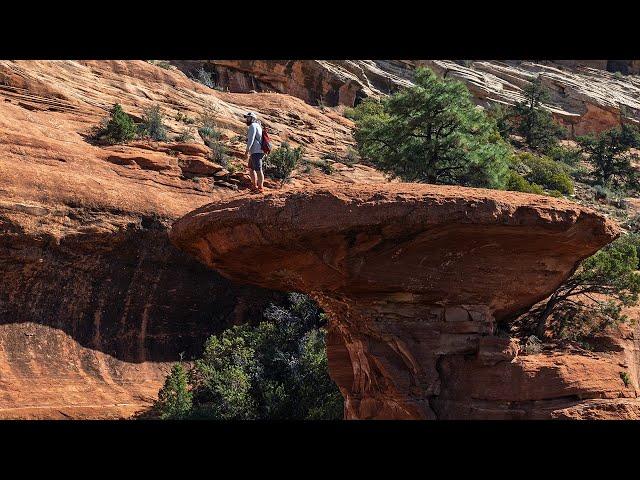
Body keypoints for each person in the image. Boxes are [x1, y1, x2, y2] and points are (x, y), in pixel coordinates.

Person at [244, 111, 264, 192]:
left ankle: (260, 188)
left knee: (258, 170)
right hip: (255, 151)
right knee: (251, 169)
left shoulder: (253, 125)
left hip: (256, 151)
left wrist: (246, 151)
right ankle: (254, 186)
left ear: (252, 118)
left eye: (248, 118)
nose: (247, 119)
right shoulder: (258, 126)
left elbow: (251, 139)